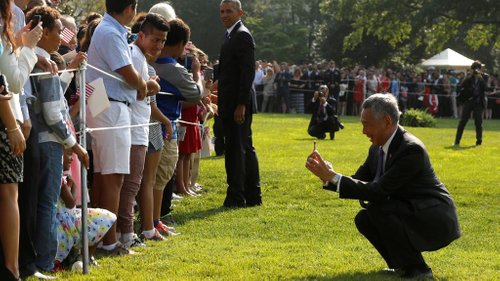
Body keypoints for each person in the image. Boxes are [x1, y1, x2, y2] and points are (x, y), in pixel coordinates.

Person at [306, 94, 461, 279]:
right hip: (409, 210)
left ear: (387, 121)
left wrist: (333, 177)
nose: (363, 131)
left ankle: (419, 268)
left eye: (366, 124)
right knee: (364, 218)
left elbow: (378, 191)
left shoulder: (411, 149)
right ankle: (402, 266)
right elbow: (359, 180)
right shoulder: (376, 147)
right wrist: (328, 175)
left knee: (379, 209)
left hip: (433, 216)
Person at [86, 0, 148, 256]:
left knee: (105, 176)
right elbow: (127, 72)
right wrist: (144, 86)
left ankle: (100, 237)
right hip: (110, 107)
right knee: (113, 176)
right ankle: (109, 242)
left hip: (105, 104)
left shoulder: (109, 29)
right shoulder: (111, 32)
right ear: (130, 8)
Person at [218, 0, 261, 208]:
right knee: (244, 148)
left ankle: (236, 196)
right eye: (222, 11)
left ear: (240, 12)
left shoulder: (241, 35)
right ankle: (252, 195)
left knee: (236, 150)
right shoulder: (231, 35)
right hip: (232, 102)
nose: (224, 15)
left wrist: (241, 104)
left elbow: (248, 72)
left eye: (229, 11)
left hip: (237, 104)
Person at [454, 61, 488, 146]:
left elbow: (486, 88)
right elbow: (462, 87)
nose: (475, 71)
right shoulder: (468, 78)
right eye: (474, 69)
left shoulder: (485, 77)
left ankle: (479, 141)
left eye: (477, 69)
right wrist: (470, 76)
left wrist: (480, 77)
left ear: (480, 69)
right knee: (463, 122)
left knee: (478, 122)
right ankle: (457, 141)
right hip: (469, 101)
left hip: (479, 102)